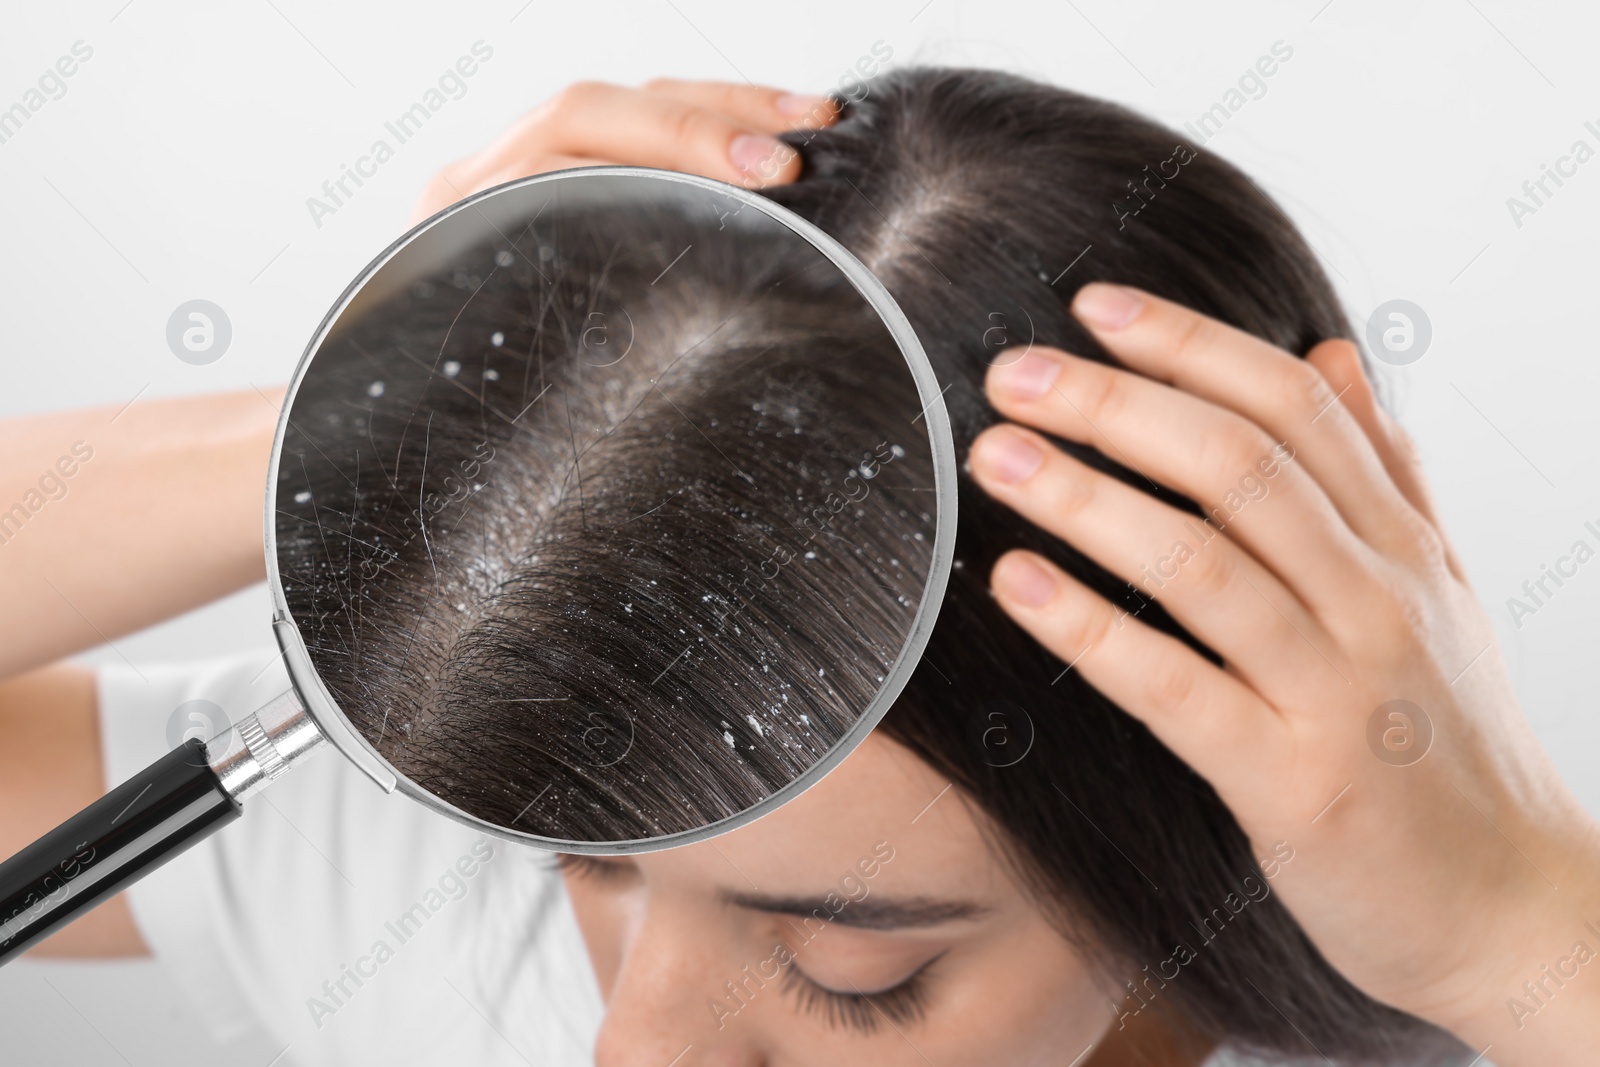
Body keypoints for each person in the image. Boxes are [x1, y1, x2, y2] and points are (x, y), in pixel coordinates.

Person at [2, 68, 1597, 1067]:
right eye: (594, 871)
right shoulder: (400, 860)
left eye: (856, 975)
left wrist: (1523, 935)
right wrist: (372, 433)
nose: (633, 1047)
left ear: (1187, 855)